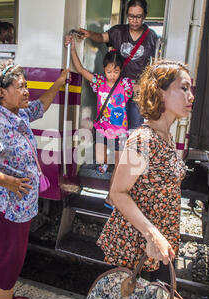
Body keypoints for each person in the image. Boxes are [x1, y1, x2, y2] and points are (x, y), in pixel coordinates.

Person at [0, 60, 69, 299]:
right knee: (10, 258)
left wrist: (60, 82)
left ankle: (6, 296)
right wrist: (9, 182)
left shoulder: (19, 114)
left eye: (26, 85)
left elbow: (41, 106)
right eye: (20, 86)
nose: (26, 90)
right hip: (7, 209)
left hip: (16, 208)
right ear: (1, 92)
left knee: (9, 254)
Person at [96, 60, 194, 283]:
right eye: (184, 88)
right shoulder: (143, 140)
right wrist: (153, 235)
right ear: (161, 92)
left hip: (156, 246)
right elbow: (117, 193)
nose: (191, 96)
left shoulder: (166, 137)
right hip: (136, 248)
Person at [65, 35, 133, 209]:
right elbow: (80, 69)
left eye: (116, 71)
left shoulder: (125, 84)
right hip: (102, 129)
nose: (112, 75)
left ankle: (111, 196)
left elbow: (142, 87)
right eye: (109, 71)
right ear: (104, 69)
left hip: (119, 131)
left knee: (119, 165)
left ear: (121, 70)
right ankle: (106, 164)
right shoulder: (99, 81)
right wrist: (72, 47)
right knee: (100, 158)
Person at [78, 0, 158, 131]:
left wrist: (146, 85)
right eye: (131, 16)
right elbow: (101, 37)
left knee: (134, 129)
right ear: (127, 15)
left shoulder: (151, 37)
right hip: (116, 89)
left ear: (145, 16)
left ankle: (130, 152)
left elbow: (154, 65)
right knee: (114, 127)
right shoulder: (118, 31)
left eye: (138, 17)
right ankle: (114, 150)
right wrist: (90, 34)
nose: (134, 20)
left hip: (137, 90)